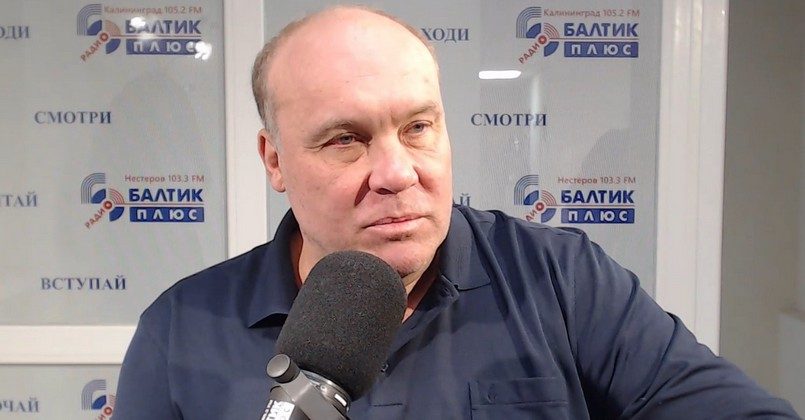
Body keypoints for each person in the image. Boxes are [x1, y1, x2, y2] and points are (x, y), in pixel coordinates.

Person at [114, 6, 799, 419]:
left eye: (417, 127)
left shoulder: (561, 280)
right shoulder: (179, 331)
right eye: (346, 139)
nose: (397, 173)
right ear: (274, 160)